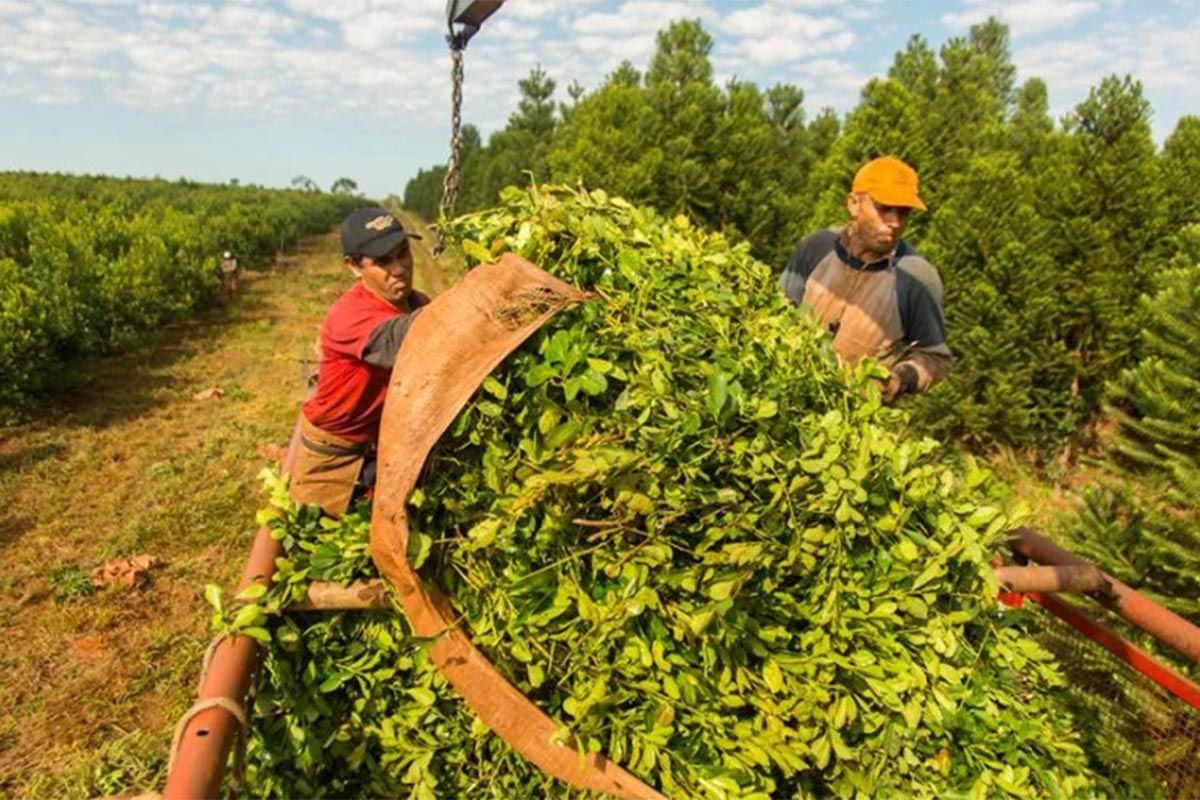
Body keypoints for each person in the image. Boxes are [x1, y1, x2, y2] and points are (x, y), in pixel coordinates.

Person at [289, 208, 428, 516]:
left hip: (381, 447)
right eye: (383, 261)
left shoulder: (417, 303)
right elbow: (413, 338)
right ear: (353, 266)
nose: (399, 268)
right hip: (336, 457)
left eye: (403, 254)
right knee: (319, 535)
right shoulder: (351, 316)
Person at [779, 155, 951, 402]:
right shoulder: (817, 247)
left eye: (903, 213)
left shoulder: (917, 277)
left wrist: (902, 378)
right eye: (884, 208)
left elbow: (935, 357)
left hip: (853, 413)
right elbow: (779, 310)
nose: (894, 222)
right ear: (853, 204)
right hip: (789, 397)